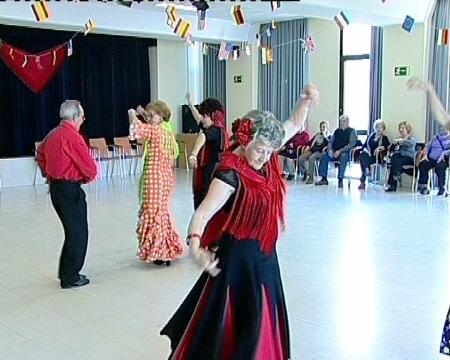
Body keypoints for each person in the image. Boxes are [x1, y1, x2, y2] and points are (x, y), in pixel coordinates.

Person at [160, 84, 319, 359]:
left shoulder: (266, 156)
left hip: (266, 257)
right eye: (259, 150)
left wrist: (305, 101)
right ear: (245, 140)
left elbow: (294, 123)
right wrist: (196, 247)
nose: (265, 157)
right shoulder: (230, 173)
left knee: (263, 321)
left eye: (270, 150)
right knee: (239, 326)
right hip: (238, 260)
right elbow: (202, 214)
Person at [37, 100, 97, 289]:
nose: (83, 120)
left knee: (72, 232)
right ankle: (70, 277)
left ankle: (66, 271)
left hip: (57, 189)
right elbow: (89, 168)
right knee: (78, 233)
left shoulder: (52, 134)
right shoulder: (72, 136)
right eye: (82, 116)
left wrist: (48, 172)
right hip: (69, 189)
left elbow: (40, 154)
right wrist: (86, 178)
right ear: (74, 117)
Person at [128, 101, 185, 266]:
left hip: (154, 178)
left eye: (153, 116)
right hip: (165, 177)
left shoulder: (156, 131)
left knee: (153, 214)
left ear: (161, 116)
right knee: (161, 213)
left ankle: (159, 251)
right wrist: (144, 115)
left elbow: (137, 130)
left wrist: (132, 114)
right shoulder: (166, 131)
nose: (150, 118)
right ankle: (164, 248)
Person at [186, 93, 228, 209]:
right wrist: (190, 104)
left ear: (213, 116)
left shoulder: (215, 130)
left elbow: (203, 136)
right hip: (210, 173)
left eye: (204, 116)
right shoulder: (218, 129)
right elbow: (198, 118)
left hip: (211, 176)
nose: (202, 118)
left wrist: (193, 154)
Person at [315, 115, 357, 188]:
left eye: (344, 121)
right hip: (334, 152)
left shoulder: (352, 131)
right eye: (341, 121)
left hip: (344, 152)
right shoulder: (337, 131)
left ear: (347, 122)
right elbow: (330, 142)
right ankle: (324, 178)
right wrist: (330, 150)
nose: (342, 123)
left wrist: (340, 151)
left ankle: (340, 179)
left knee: (343, 157)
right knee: (325, 156)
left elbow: (351, 144)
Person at [357, 119, 390, 190]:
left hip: (377, 157)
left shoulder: (384, 138)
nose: (379, 129)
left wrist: (380, 147)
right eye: (377, 127)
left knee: (364, 161)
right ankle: (366, 169)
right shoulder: (370, 136)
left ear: (383, 129)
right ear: (375, 128)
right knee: (363, 155)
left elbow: (388, 147)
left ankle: (363, 181)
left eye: (381, 127)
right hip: (368, 155)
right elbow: (364, 146)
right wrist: (366, 150)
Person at [417, 126, 450, 195]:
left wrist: (444, 153)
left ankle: (441, 188)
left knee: (440, 167)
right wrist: (425, 155)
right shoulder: (435, 137)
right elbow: (427, 146)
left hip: (443, 159)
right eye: (441, 127)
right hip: (432, 158)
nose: (442, 129)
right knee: (423, 164)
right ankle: (423, 187)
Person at [385, 121, 416, 192]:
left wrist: (399, 141)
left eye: (403, 128)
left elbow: (409, 143)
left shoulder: (411, 139)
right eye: (400, 128)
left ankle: (392, 185)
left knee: (395, 162)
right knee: (395, 157)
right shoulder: (397, 138)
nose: (401, 130)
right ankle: (396, 174)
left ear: (407, 129)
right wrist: (393, 144)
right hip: (400, 158)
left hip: (409, 158)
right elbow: (391, 148)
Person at [298, 120, 329, 184]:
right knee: (300, 158)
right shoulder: (317, 135)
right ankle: (305, 172)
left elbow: (330, 144)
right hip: (312, 150)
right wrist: (307, 146)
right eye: (321, 127)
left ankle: (311, 178)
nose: (322, 129)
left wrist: (325, 136)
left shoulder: (329, 135)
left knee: (311, 158)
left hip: (320, 152)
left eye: (324, 127)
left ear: (327, 128)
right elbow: (309, 143)